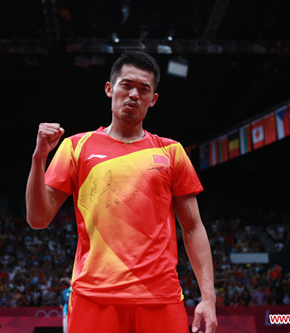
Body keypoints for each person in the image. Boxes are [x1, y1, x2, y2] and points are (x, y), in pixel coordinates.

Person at [26, 51, 217, 333]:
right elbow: (38, 219)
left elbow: (193, 227)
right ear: (109, 89)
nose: (133, 95)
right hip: (94, 296)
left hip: (160, 298)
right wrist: (39, 158)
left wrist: (209, 299)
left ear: (153, 100)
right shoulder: (76, 147)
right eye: (126, 85)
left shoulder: (171, 152)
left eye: (144, 90)